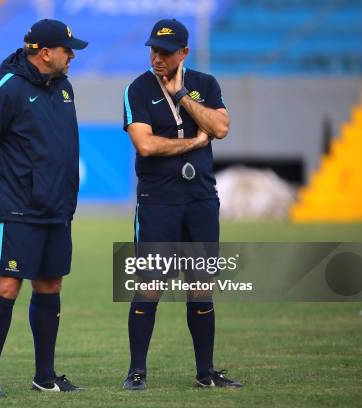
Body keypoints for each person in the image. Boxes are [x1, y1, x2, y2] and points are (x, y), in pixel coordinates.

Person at [0, 19, 87, 399]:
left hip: (56, 210)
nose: (72, 55)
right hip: (15, 209)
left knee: (50, 285)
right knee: (7, 284)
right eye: (67, 50)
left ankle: (44, 377)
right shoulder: (6, 88)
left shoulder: (64, 90)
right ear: (45, 53)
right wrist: (5, 187)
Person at [122, 18, 243, 390]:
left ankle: (205, 373)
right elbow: (146, 144)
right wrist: (192, 143)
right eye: (154, 51)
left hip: (201, 200)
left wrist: (183, 98)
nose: (157, 58)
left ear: (184, 52)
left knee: (201, 285)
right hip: (157, 200)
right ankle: (137, 371)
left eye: (166, 52)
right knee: (150, 284)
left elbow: (220, 127)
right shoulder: (138, 90)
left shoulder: (204, 84)